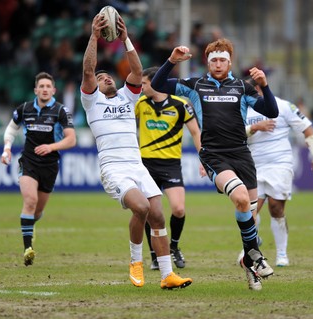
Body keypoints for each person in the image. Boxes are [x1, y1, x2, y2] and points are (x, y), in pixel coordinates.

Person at [151, 39, 279, 291]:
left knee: (251, 217)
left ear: (230, 62)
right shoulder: (195, 85)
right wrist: (172, 61)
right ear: (207, 63)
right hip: (214, 155)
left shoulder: (242, 87)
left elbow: (271, 111)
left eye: (222, 60)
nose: (218, 64)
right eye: (213, 60)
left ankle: (249, 261)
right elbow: (157, 84)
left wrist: (264, 85)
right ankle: (256, 256)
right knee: (241, 199)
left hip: (242, 155)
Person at [79, 11, 192, 290]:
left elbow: (137, 71)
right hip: (113, 168)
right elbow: (88, 71)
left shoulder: (129, 97)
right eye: (101, 77)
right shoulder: (92, 103)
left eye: (108, 76)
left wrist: (126, 39)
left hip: (136, 165)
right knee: (140, 207)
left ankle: (167, 275)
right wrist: (94, 36)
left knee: (158, 215)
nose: (105, 79)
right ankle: (135, 262)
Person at [239, 77, 313, 267]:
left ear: (258, 89)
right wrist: (254, 127)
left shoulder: (282, 106)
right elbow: (233, 133)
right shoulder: (241, 108)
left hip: (280, 164)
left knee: (276, 208)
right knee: (250, 209)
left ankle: (281, 254)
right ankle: (251, 247)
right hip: (252, 165)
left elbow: (307, 128)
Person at [0, 71, 76, 266]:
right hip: (29, 162)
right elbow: (11, 129)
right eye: (41, 86)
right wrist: (7, 149)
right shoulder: (25, 109)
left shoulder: (60, 111)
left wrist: (51, 147)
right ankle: (27, 250)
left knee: (37, 210)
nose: (44, 89)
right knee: (30, 200)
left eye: (47, 86)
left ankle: (30, 228)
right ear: (35, 90)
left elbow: (71, 139)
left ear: (53, 90)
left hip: (50, 166)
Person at [135, 66, 203, 270]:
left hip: (171, 164)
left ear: (155, 83)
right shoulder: (140, 104)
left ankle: (173, 247)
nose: (141, 87)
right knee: (149, 212)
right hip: (146, 164)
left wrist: (204, 159)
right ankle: (154, 254)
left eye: (144, 84)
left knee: (179, 209)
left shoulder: (181, 105)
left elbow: (196, 133)